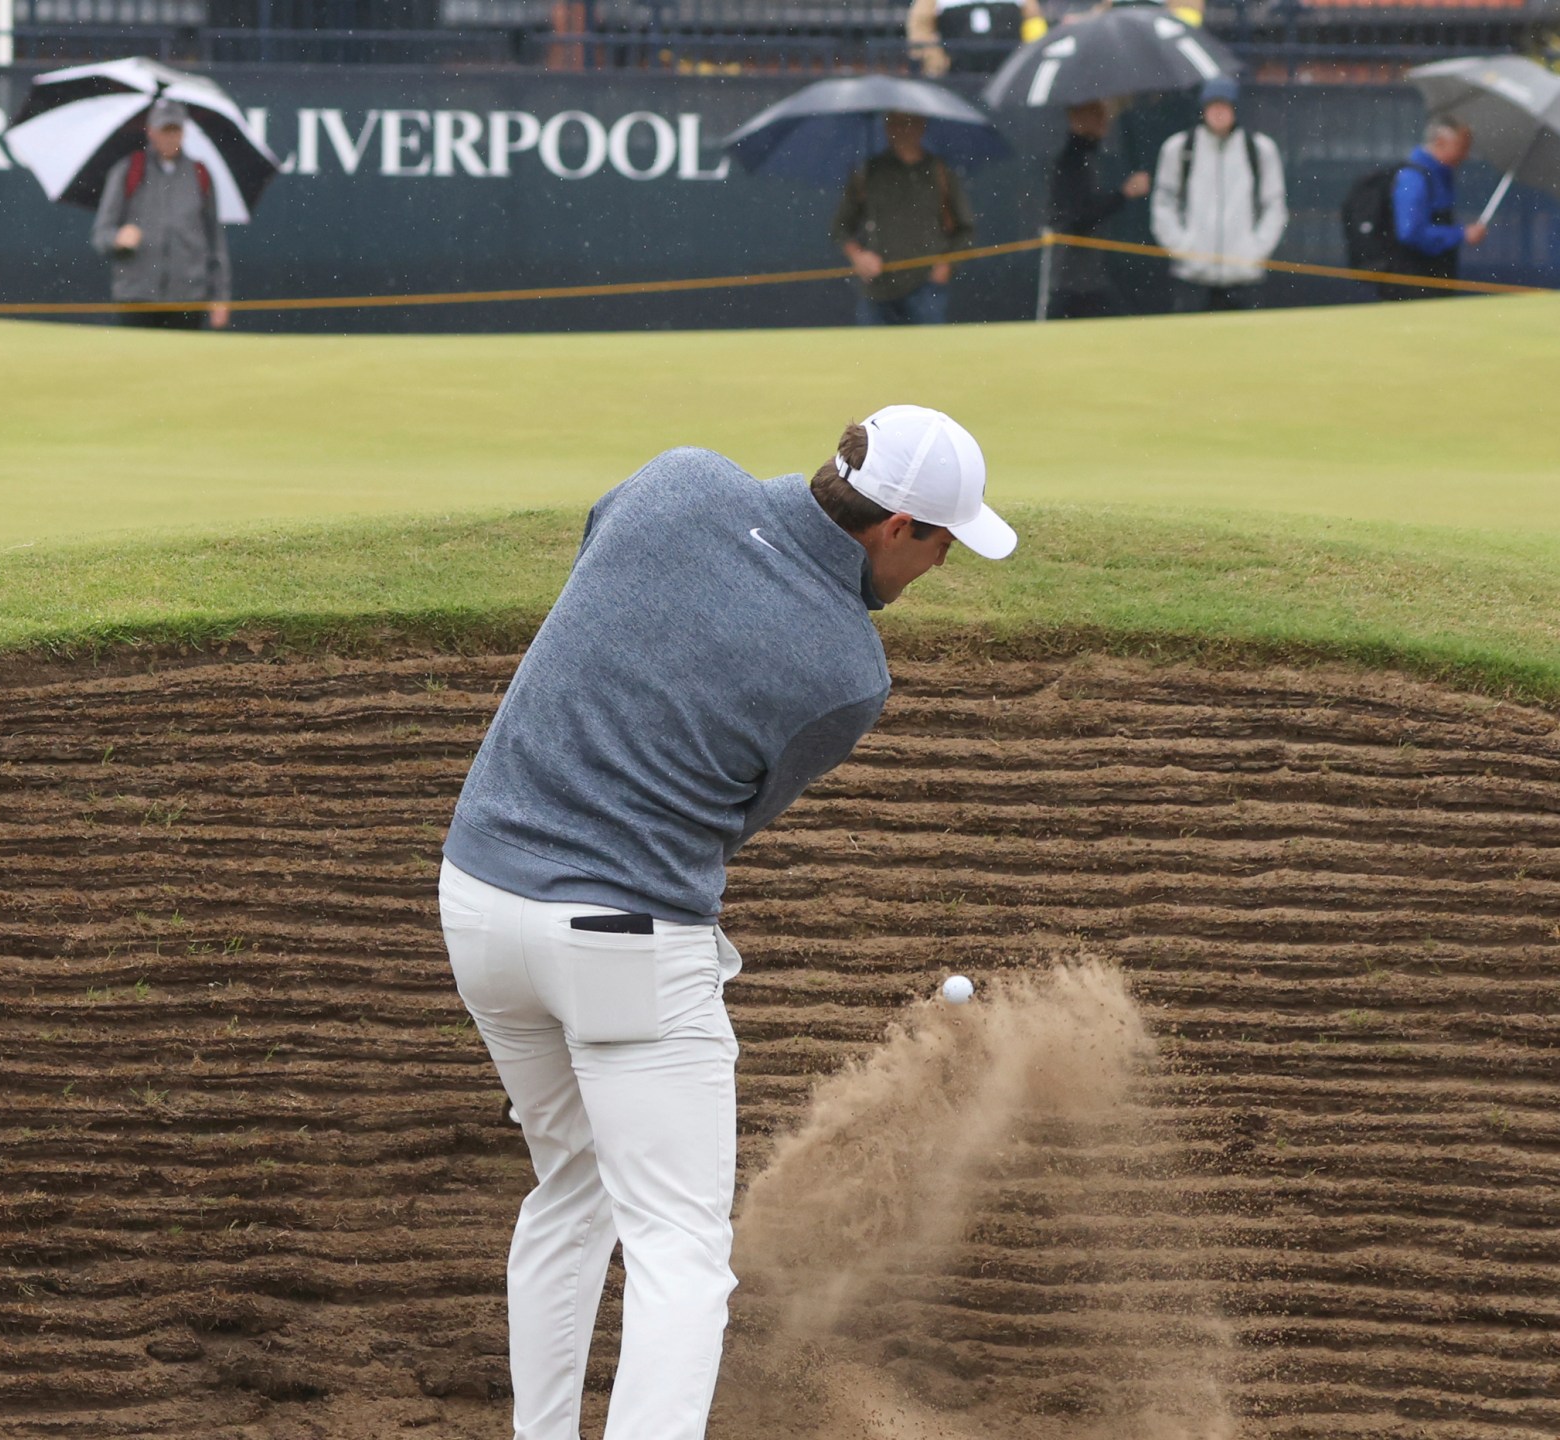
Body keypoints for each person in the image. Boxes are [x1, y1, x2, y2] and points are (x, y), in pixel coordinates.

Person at [439, 406, 1013, 1440]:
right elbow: (735, 813)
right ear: (897, 530)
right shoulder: (847, 671)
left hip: (477, 899)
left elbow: (598, 581)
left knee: (571, 1189)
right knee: (680, 1253)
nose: (939, 569)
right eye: (943, 546)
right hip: (617, 943)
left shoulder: (676, 477)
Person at [90, 99, 231, 331]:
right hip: (136, 297)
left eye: (175, 130)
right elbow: (101, 234)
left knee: (184, 367)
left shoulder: (200, 174)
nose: (170, 137)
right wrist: (117, 238)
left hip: (188, 298)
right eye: (165, 130)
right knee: (135, 366)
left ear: (184, 132)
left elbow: (215, 241)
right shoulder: (128, 170)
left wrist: (220, 296)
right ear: (151, 132)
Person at [1149, 77, 1288, 312]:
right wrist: (1184, 248)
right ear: (1203, 109)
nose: (1219, 113)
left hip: (1245, 276)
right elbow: (1163, 204)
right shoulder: (1179, 148)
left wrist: (1255, 250)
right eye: (1213, 106)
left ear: (1235, 109)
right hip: (1192, 276)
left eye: (1225, 106)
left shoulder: (1260, 149)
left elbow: (1274, 205)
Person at [831, 112, 978, 326]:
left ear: (922, 126)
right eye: (895, 123)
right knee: (873, 356)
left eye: (909, 123)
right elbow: (840, 227)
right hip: (877, 289)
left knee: (927, 355)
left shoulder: (940, 172)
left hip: (926, 288)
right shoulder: (868, 172)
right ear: (887, 127)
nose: (903, 130)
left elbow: (966, 230)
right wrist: (858, 256)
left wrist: (946, 265)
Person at [1047, 99, 1151, 319]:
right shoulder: (1071, 162)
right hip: (1074, 278)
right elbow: (1078, 217)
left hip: (1090, 275)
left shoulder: (1090, 157)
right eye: (1097, 115)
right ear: (1077, 119)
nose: (1105, 121)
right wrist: (1123, 194)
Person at [1381, 117, 1490, 300]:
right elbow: (1410, 232)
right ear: (1440, 142)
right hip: (1415, 280)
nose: (1466, 155)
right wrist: (1461, 234)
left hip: (1436, 275)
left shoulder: (1439, 175)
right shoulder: (1414, 177)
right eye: (1462, 147)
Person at [906, 0, 1044, 77]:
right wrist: (937, 60)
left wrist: (1027, 58)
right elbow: (920, 26)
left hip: (1007, 72)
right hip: (957, 73)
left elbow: (1033, 21)